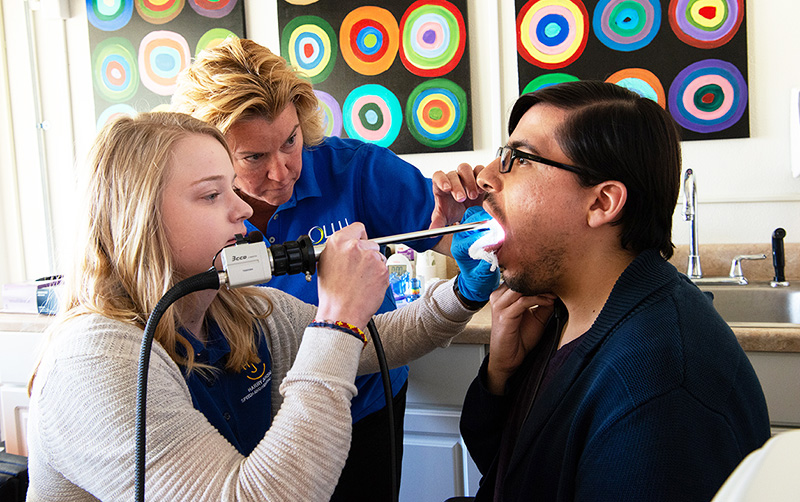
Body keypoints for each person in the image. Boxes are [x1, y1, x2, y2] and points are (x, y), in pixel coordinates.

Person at [24, 112, 497, 501]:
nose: (245, 210)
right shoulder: (93, 363)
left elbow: (375, 343)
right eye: (212, 194)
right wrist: (337, 319)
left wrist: (464, 293)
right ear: (138, 220)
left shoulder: (238, 313)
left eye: (233, 187)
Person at [432, 81, 771, 501]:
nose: (484, 176)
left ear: (602, 203)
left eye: (518, 159)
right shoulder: (559, 310)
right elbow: (512, 474)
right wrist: (502, 377)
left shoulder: (657, 391)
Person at [171, 37, 451, 500]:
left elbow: (449, 232)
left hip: (365, 403)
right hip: (248, 411)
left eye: (290, 141)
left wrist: (457, 216)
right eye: (254, 158)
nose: (282, 172)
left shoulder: (357, 170)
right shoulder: (186, 209)